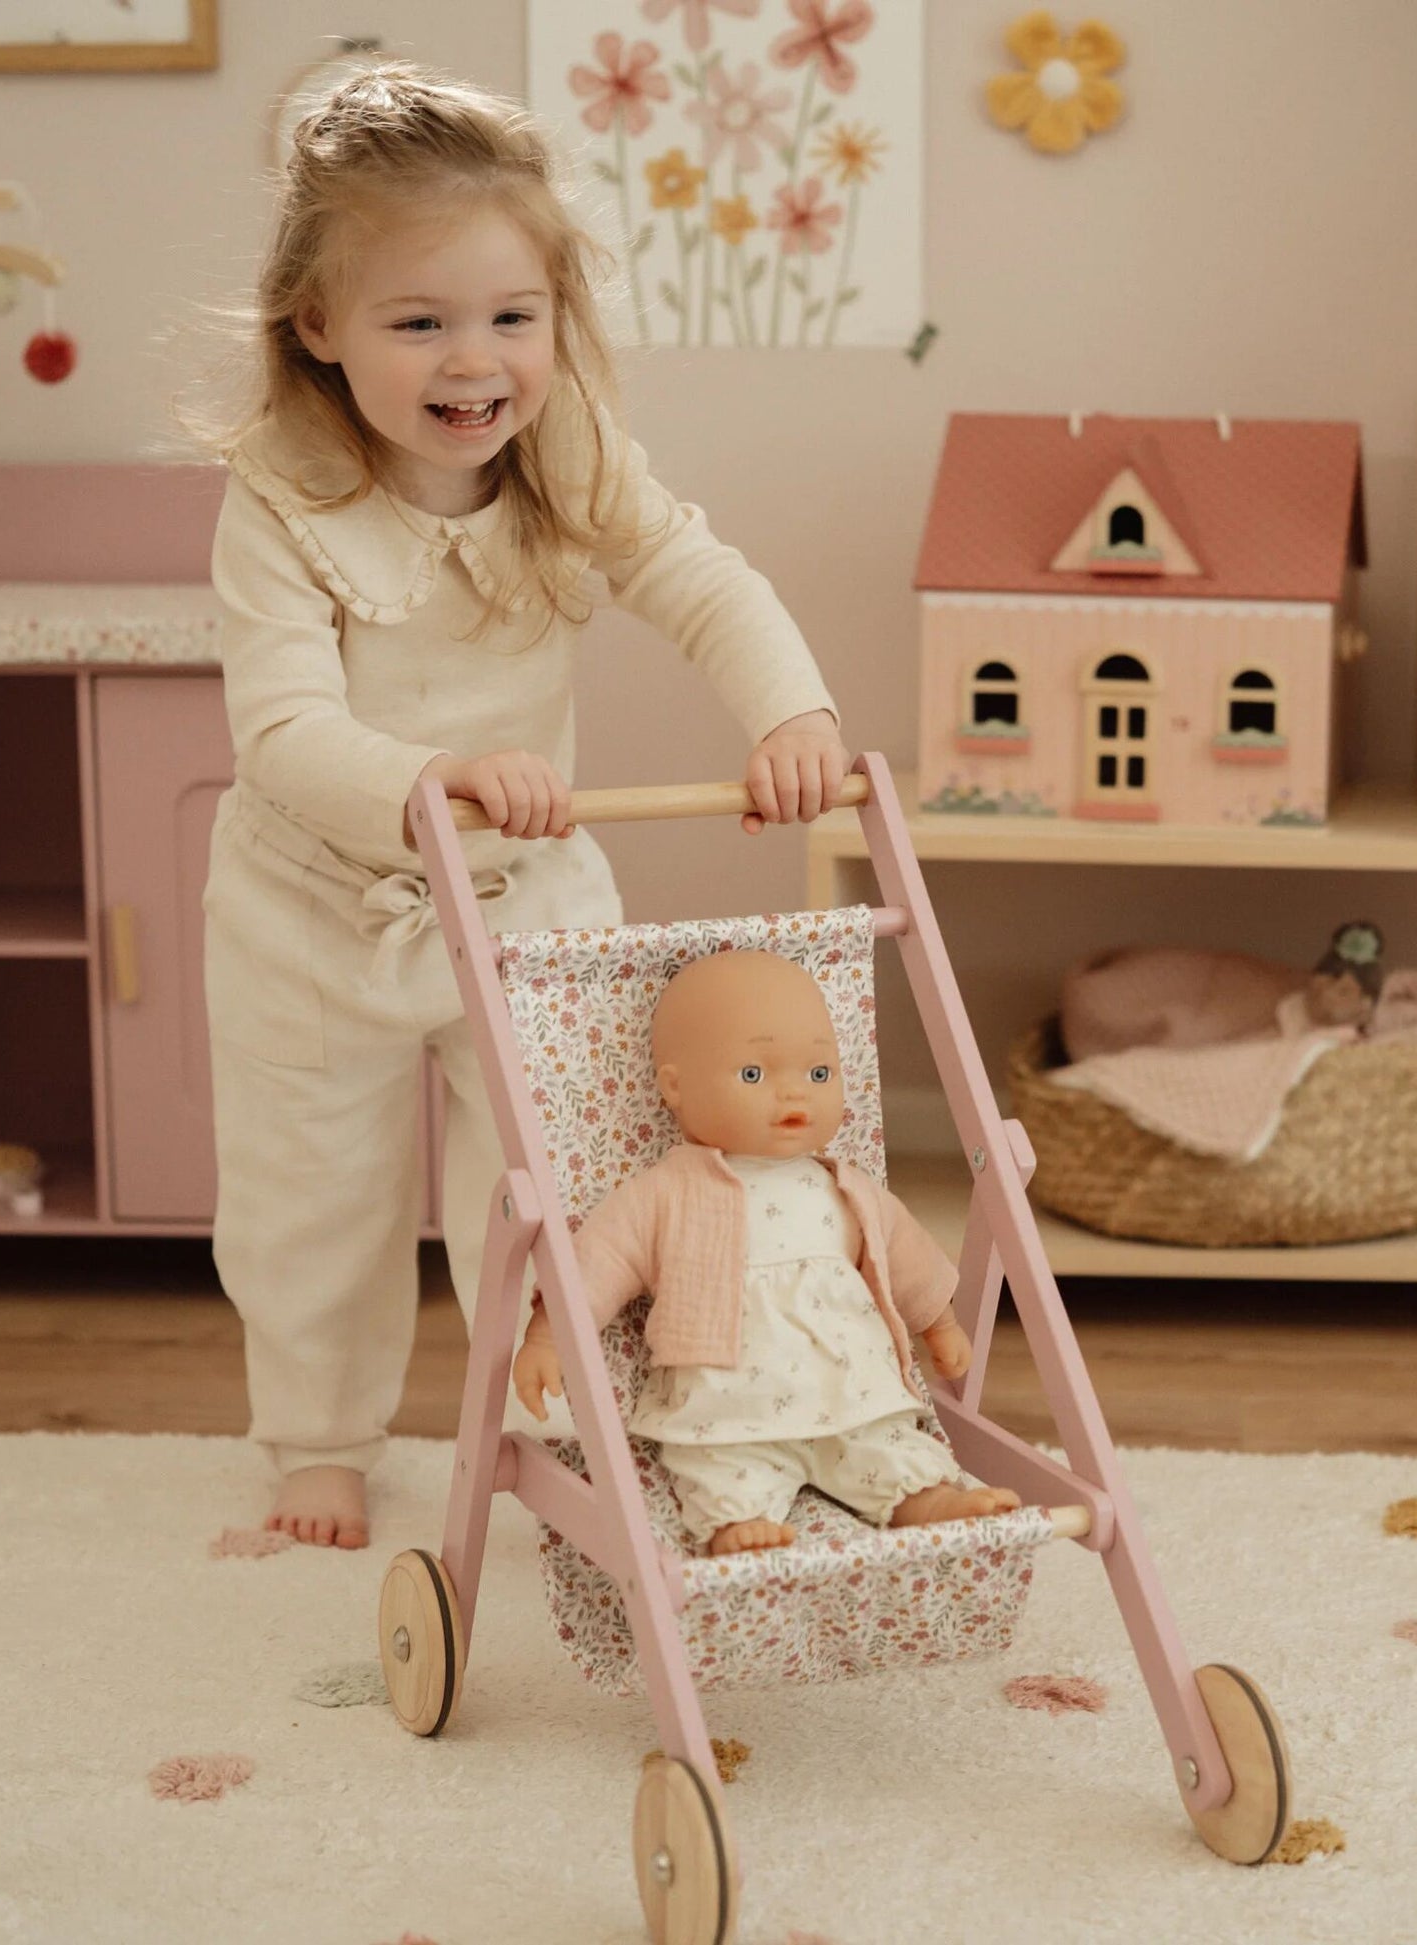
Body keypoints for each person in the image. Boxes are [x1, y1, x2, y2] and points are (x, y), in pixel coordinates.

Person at [198, 64, 847, 1549]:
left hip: (527, 894)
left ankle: (564, 1416)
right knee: (315, 1204)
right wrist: (426, 782)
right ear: (319, 326)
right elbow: (285, 727)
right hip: (320, 909)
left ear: (558, 315)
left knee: (563, 1177)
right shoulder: (283, 496)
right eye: (417, 321)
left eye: (510, 317)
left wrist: (788, 710)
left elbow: (695, 577)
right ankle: (319, 1438)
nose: (470, 360)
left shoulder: (568, 458)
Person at [511, 951, 1021, 1555]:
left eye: (819, 1073)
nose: (793, 1094)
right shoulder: (668, 1191)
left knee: (890, 1446)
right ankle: (735, 1522)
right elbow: (599, 1261)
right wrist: (549, 1337)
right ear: (675, 1087)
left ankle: (927, 1501)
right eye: (754, 1075)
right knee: (720, 1467)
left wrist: (938, 1322)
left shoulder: (845, 1185)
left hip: (850, 1391)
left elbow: (904, 1254)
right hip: (729, 1406)